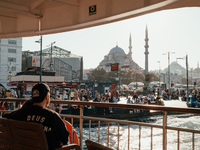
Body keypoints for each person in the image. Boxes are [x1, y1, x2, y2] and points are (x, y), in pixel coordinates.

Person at [3, 83, 69, 150]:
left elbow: (4, 117)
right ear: (47, 96)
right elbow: (65, 139)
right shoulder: (52, 116)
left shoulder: (21, 113)